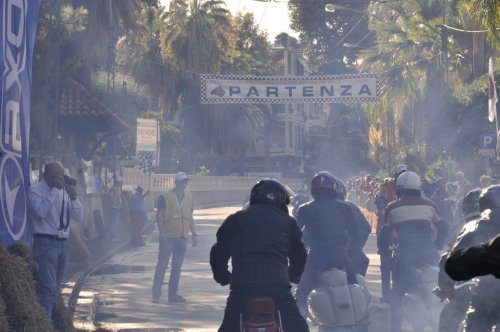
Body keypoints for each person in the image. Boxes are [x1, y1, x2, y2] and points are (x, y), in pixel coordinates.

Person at [210, 178, 308, 332]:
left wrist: (222, 276)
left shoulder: (235, 219)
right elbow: (300, 255)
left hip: (242, 287)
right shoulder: (287, 222)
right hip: (278, 287)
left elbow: (218, 252)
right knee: (298, 327)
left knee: (228, 327)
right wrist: (292, 276)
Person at [379, 171, 448, 332]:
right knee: (440, 290)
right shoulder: (429, 204)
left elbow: (384, 233)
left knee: (397, 294)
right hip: (429, 254)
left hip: (405, 256)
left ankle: (396, 328)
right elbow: (444, 226)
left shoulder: (392, 207)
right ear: (418, 186)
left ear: (400, 188)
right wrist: (437, 244)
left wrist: (383, 250)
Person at [294, 171, 360, 316]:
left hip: (316, 256)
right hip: (340, 255)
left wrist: (297, 254)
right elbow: (356, 233)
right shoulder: (345, 207)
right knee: (356, 286)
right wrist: (351, 251)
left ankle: (299, 321)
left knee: (302, 292)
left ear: (313, 190)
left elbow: (294, 235)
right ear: (334, 189)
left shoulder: (305, 208)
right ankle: (361, 322)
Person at [28, 161, 84, 319]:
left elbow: (79, 216)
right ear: (45, 176)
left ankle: (47, 321)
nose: (58, 180)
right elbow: (40, 212)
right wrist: (54, 191)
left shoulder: (63, 191)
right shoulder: (35, 190)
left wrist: (74, 198)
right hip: (45, 243)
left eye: (60, 177)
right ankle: (44, 325)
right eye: (54, 177)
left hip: (62, 244)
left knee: (54, 290)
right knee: (47, 289)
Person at [444, 185, 500, 331]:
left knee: (475, 320)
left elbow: (453, 262)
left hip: (486, 298)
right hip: (486, 293)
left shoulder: (476, 226)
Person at [433, 188, 482, 332]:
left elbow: (446, 260)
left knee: (447, 319)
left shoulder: (463, 230)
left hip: (472, 291)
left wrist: (446, 290)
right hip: (489, 289)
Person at [152, 172, 197, 303]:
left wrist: (194, 234)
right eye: (182, 181)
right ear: (176, 182)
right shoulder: (165, 197)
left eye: (186, 181)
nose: (184, 183)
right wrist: (162, 234)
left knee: (176, 268)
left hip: (182, 237)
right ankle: (156, 293)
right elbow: (159, 216)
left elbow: (190, 217)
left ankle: (173, 295)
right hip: (168, 237)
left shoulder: (189, 198)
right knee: (162, 265)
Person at [376, 164, 406, 305]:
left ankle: (403, 292)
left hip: (405, 231)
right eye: (400, 175)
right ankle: (387, 295)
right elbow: (380, 200)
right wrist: (382, 209)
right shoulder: (388, 186)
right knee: (385, 264)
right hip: (388, 229)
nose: (402, 178)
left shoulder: (414, 189)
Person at [106, 176, 125, 242]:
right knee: (114, 223)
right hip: (113, 207)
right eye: (121, 182)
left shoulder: (117, 188)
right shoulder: (113, 188)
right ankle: (112, 237)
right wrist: (113, 201)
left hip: (115, 207)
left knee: (114, 223)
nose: (122, 184)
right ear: (118, 183)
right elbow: (109, 196)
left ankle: (113, 236)